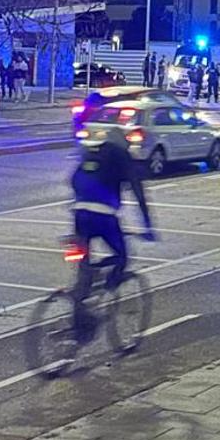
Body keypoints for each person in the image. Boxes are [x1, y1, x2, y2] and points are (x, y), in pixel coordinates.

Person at [69, 129, 156, 326]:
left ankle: (80, 310)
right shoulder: (122, 157)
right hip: (104, 215)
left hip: (80, 213)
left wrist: (81, 201)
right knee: (122, 257)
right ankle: (106, 291)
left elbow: (74, 179)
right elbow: (138, 192)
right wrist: (148, 226)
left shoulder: (93, 152)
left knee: (84, 263)